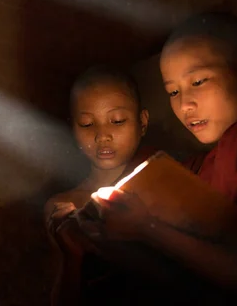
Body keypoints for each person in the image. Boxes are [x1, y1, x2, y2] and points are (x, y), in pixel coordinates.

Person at [90, 12, 237, 304]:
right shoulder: (189, 170)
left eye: (197, 81)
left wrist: (148, 228)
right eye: (173, 91)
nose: (185, 104)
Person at [44, 65, 154, 305]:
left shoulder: (158, 186)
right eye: (86, 124)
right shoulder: (64, 206)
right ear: (72, 128)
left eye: (117, 121)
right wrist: (71, 256)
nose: (102, 135)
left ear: (142, 123)